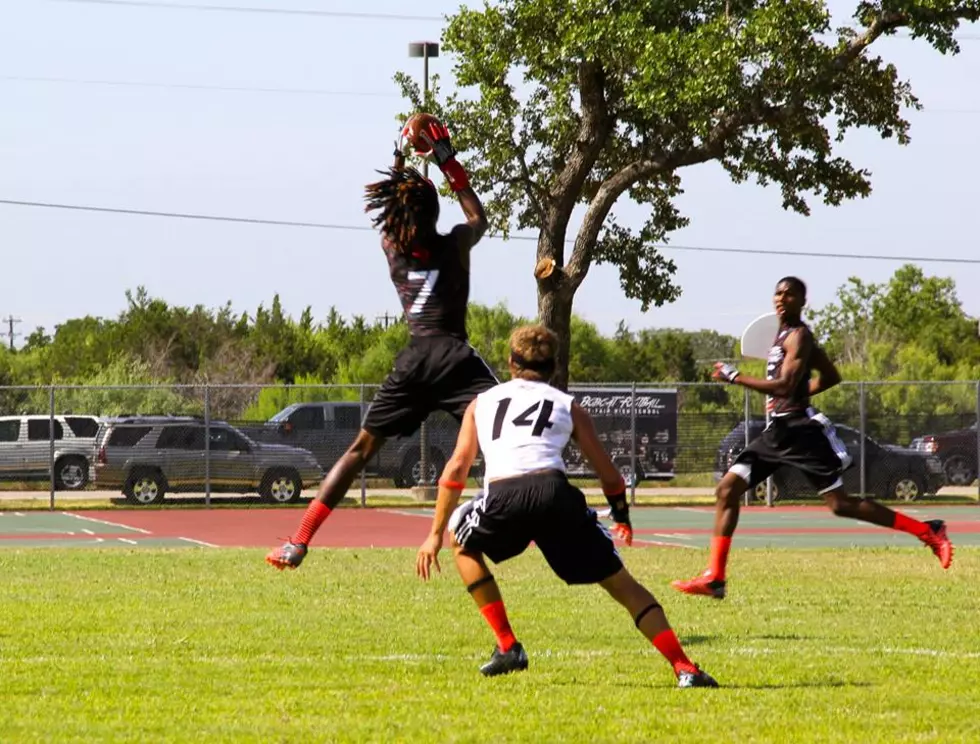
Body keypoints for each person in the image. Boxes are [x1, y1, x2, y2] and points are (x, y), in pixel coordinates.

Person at [415, 324, 718, 688]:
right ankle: (685, 668)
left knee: (461, 541)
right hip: (555, 495)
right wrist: (620, 512)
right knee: (622, 586)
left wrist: (433, 534)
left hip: (503, 495)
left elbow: (456, 468)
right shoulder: (567, 406)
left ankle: (508, 645)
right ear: (554, 368)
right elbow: (609, 474)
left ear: (511, 362)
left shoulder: (482, 403)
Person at [267, 119, 497, 570]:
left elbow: (393, 210)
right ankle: (541, 517)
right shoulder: (455, 245)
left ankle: (299, 541)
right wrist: (446, 159)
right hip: (454, 357)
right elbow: (477, 216)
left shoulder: (393, 248)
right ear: (434, 213)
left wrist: (401, 157)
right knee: (510, 434)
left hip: (414, 362)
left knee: (359, 451)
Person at [671, 276, 954, 600]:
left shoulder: (800, 337)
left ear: (803, 301)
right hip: (776, 431)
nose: (782, 298)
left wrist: (735, 377)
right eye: (778, 293)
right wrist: (798, 393)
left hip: (799, 434)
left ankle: (928, 530)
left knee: (841, 505)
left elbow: (784, 386)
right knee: (726, 490)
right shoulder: (783, 336)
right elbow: (831, 377)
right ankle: (715, 578)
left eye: (790, 294)